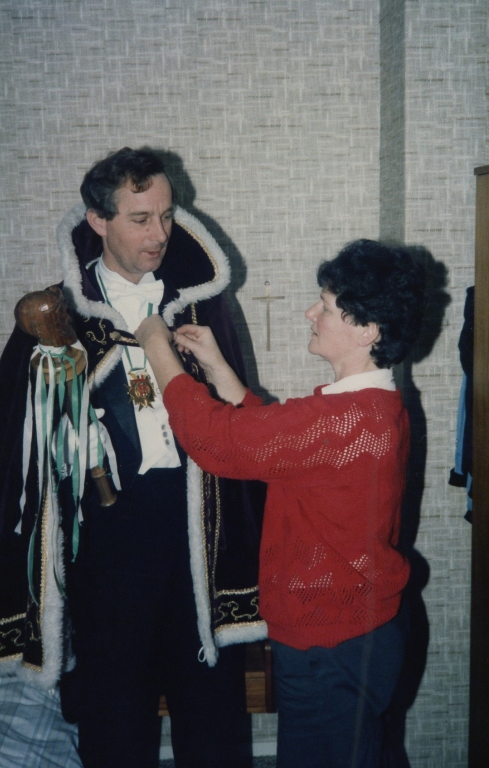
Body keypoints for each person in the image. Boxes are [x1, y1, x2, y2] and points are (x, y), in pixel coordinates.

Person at [0, 147, 267, 768]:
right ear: (97, 221)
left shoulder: (201, 305)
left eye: (166, 215)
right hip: (106, 546)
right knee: (114, 720)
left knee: (212, 720)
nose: (159, 233)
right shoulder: (56, 321)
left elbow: (238, 425)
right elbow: (13, 459)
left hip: (193, 537)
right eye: (140, 219)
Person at [134, 238, 427, 768]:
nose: (311, 313)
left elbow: (213, 441)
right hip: (354, 633)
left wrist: (155, 345)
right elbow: (279, 444)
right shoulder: (371, 408)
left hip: (332, 647)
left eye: (327, 307)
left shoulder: (344, 421)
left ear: (368, 329)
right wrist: (218, 367)